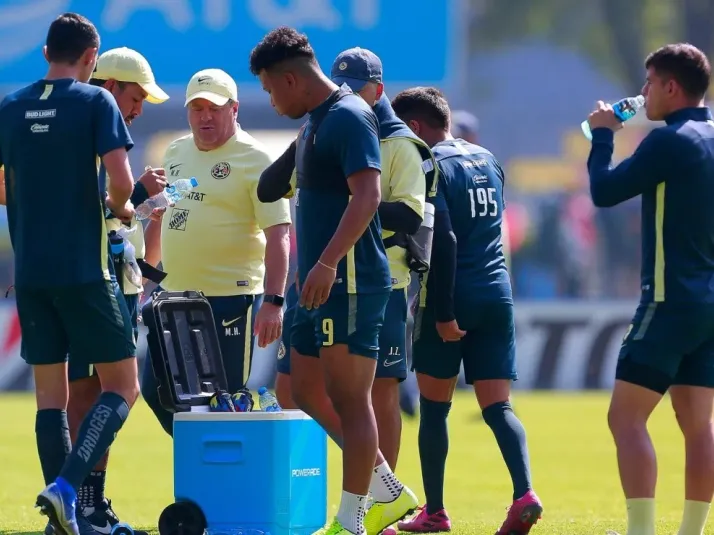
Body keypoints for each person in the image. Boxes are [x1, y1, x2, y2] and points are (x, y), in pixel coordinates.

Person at [249, 27, 417, 535]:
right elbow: (271, 185)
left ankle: (353, 519)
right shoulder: (317, 121)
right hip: (314, 282)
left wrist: (323, 264)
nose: (271, 100)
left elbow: (367, 199)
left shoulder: (348, 117)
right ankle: (387, 489)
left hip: (347, 280)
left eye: (271, 89)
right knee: (301, 390)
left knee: (351, 399)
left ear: (292, 79)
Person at [0, 13, 140, 535]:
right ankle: (65, 490)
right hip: (83, 269)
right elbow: (123, 185)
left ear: (44, 53)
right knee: (122, 386)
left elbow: (2, 187)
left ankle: (64, 522)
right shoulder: (95, 101)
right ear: (90, 59)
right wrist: (117, 207)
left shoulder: (11, 106)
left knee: (50, 398)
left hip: (30, 273)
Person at [390, 87, 543, 535]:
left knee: (434, 410)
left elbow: (444, 240)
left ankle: (434, 512)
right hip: (497, 294)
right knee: (499, 408)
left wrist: (440, 310)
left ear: (415, 128)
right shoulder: (488, 159)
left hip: (451, 297)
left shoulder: (430, 165)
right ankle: (525, 493)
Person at [586, 43, 714, 535]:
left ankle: (641, 532)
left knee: (626, 418)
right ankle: (692, 532)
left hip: (669, 299)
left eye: (648, 84)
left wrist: (602, 136)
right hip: (707, 305)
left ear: (670, 87)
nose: (642, 95)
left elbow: (604, 191)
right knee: (698, 425)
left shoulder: (668, 141)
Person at [141, 68, 291, 436]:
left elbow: (279, 235)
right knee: (154, 390)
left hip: (228, 299)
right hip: (172, 295)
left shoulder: (257, 159)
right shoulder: (176, 151)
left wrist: (273, 301)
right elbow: (164, 214)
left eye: (215, 108)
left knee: (222, 402)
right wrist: (146, 274)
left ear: (234, 109)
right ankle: (201, 465)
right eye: (197, 108)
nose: (205, 116)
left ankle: (223, 483)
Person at [56, 46, 167, 535]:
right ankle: (74, 495)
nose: (140, 107)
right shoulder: (95, 134)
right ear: (109, 87)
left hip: (86, 277)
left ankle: (85, 507)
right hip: (95, 282)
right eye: (136, 96)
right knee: (118, 391)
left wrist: (141, 220)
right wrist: (137, 196)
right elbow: (88, 211)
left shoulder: (82, 132)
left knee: (85, 394)